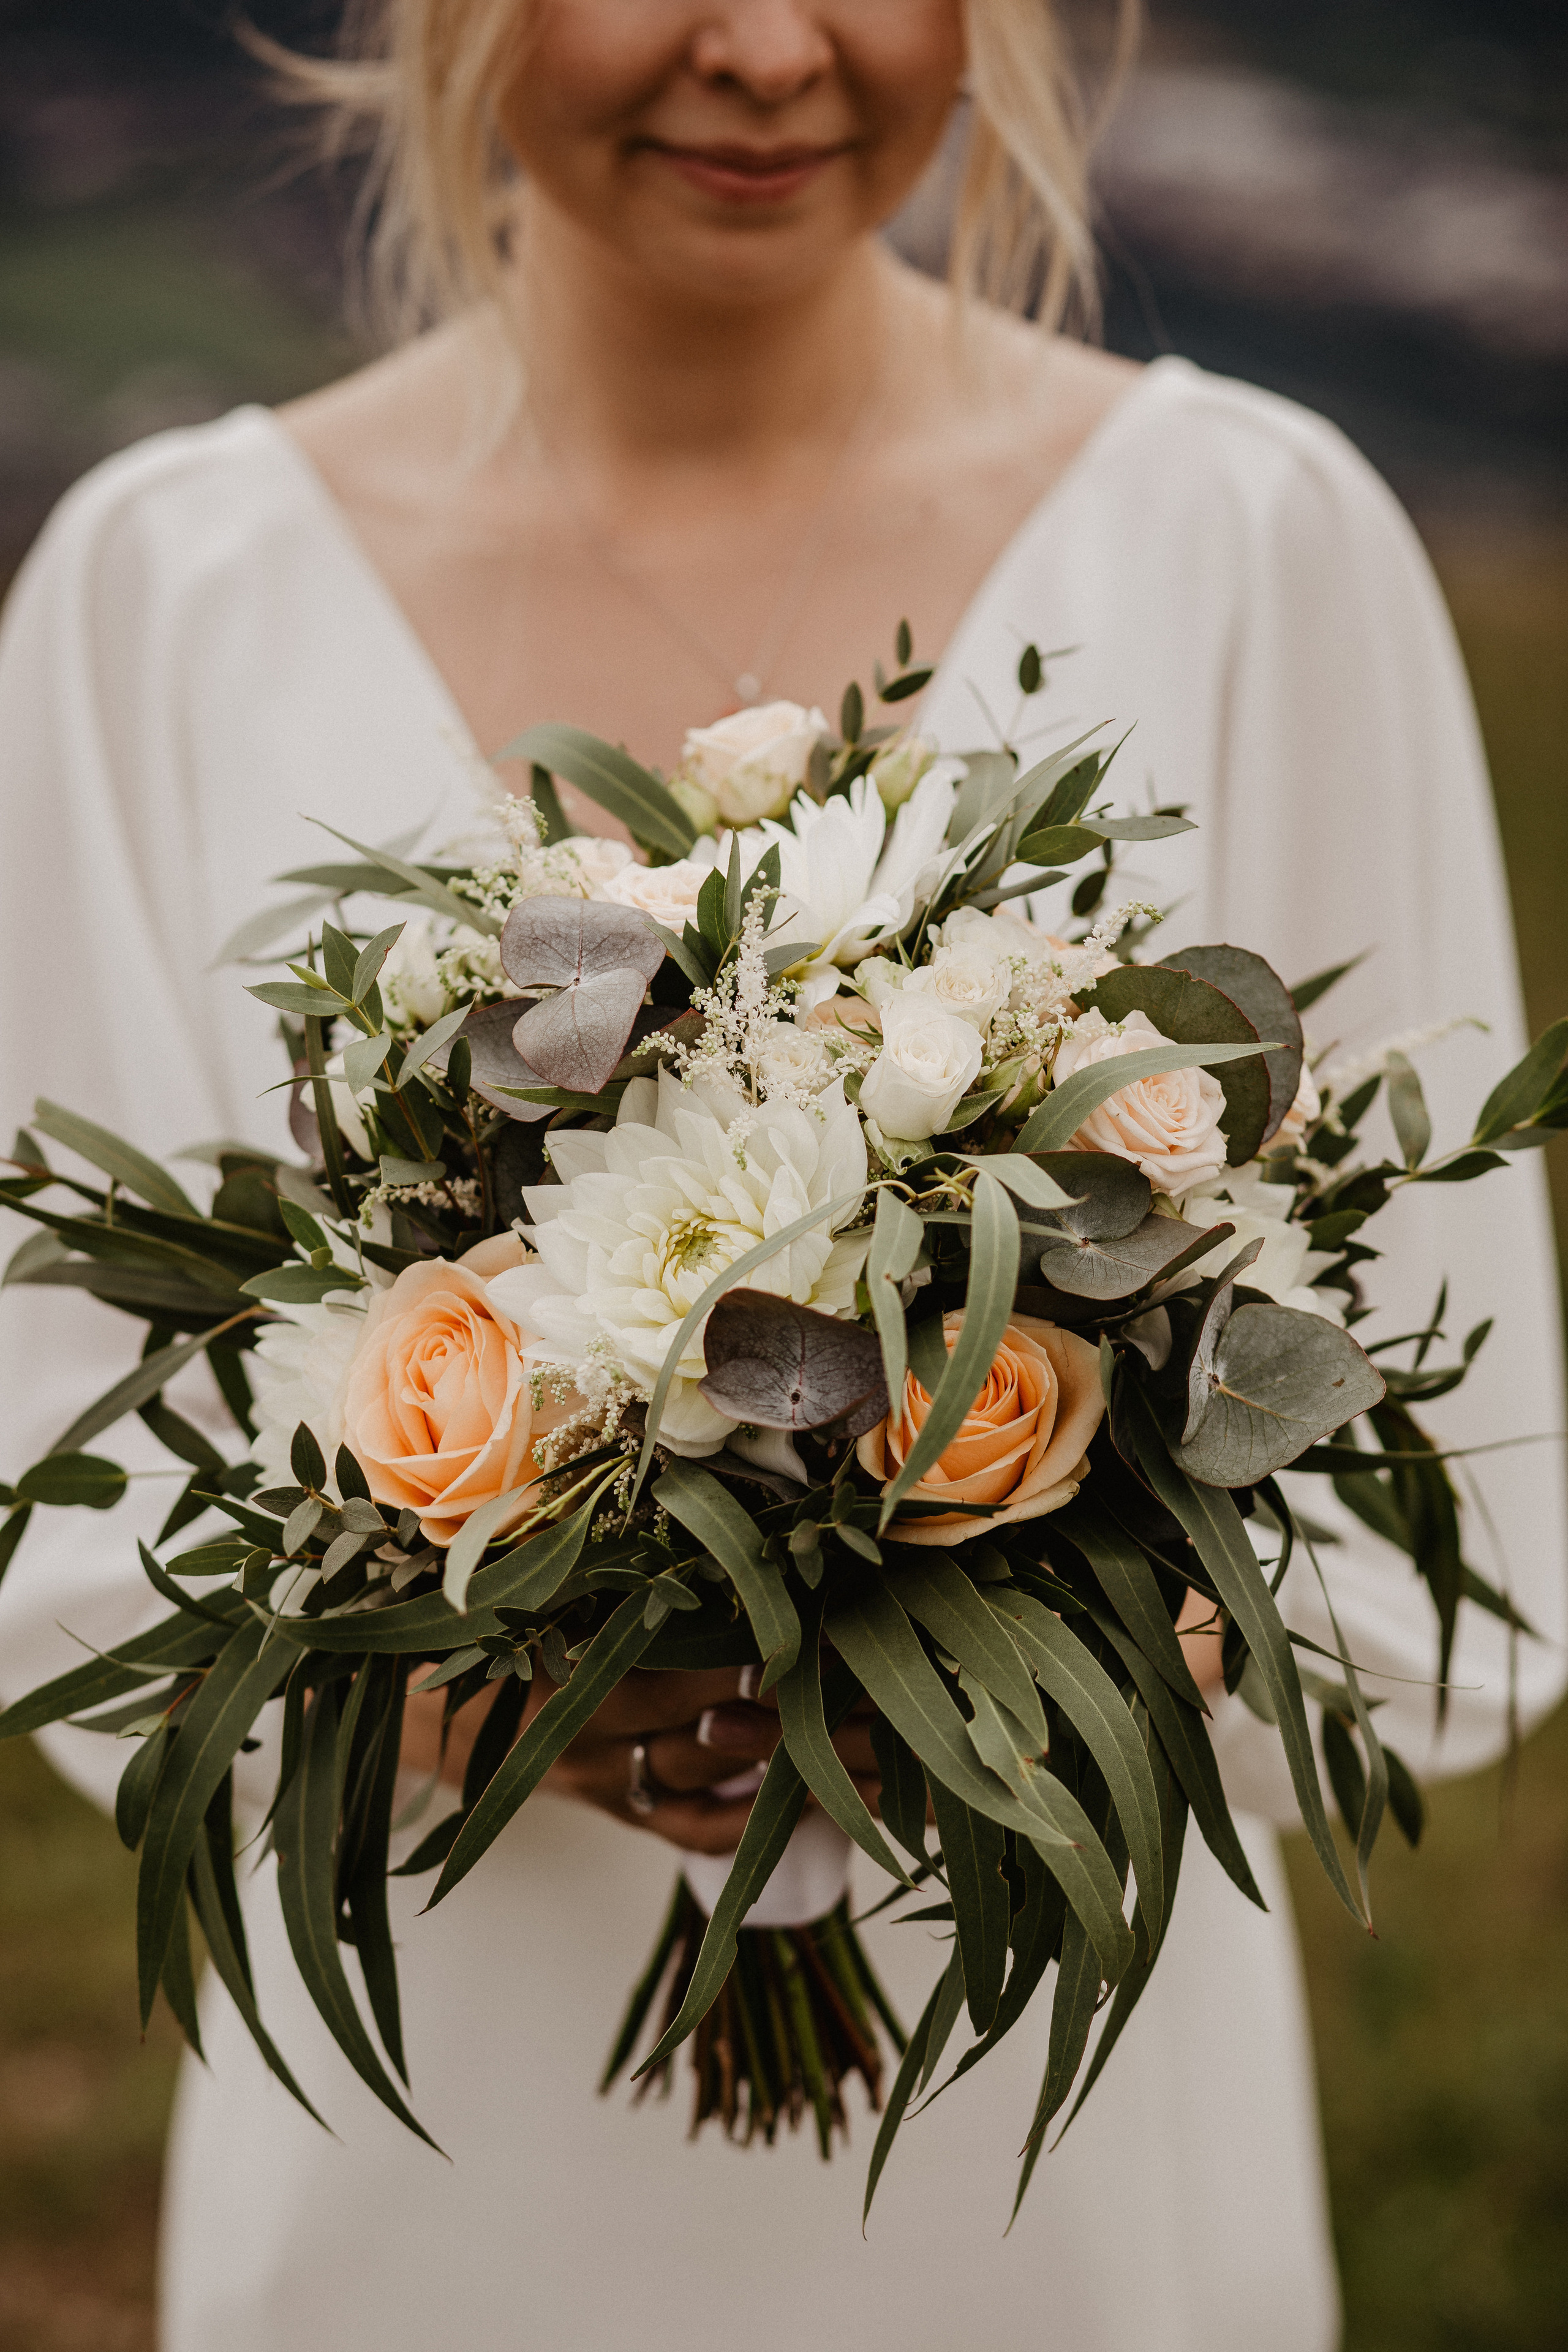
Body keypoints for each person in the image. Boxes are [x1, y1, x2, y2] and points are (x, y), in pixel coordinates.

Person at [0, 6, 1562, 2348]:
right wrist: (462, 1694)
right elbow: (48, 1471)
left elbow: (1464, 1514)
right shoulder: (159, 593)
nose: (763, 51)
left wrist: (1033, 1646)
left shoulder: (1257, 538)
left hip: (1053, 2171)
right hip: (433, 2176)